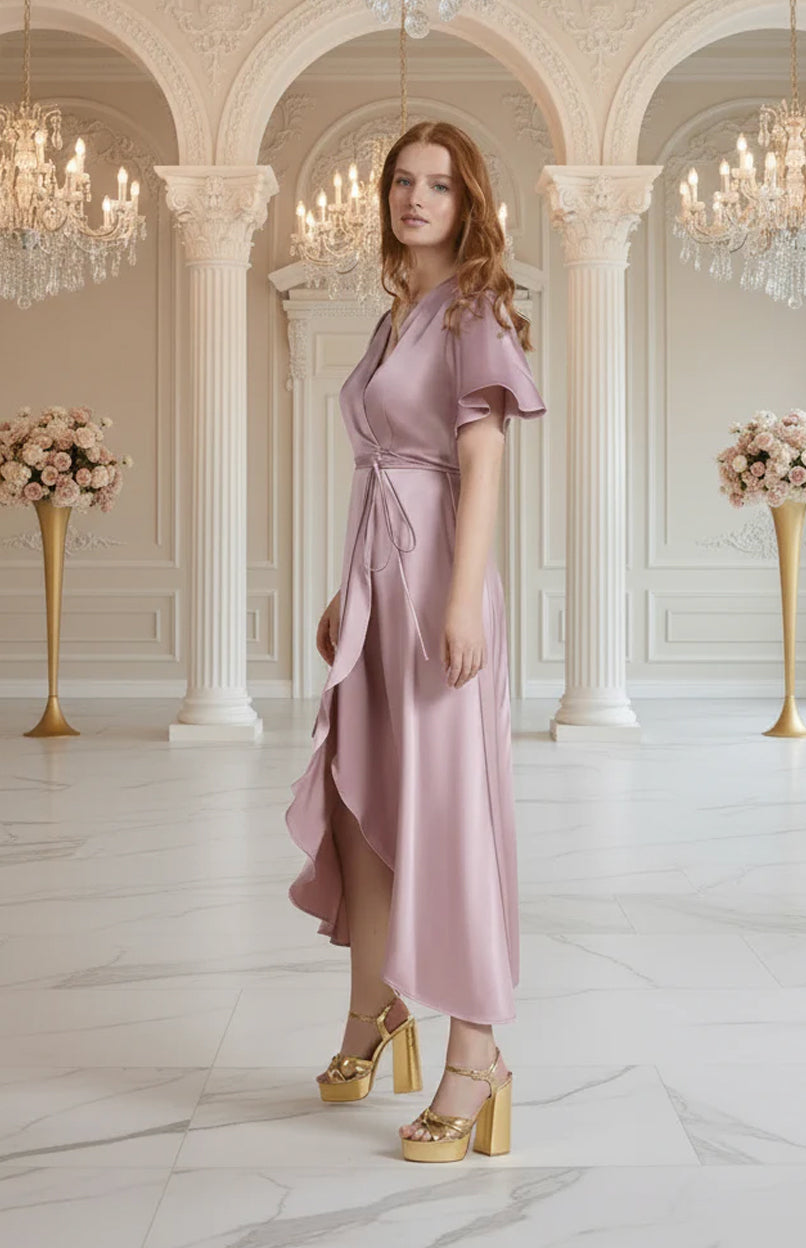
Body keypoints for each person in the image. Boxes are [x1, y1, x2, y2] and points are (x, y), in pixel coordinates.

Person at [284, 119, 546, 1163]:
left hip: (438, 577)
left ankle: (475, 1053)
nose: (415, 197)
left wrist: (462, 601)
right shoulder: (399, 314)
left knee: (448, 811)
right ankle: (374, 1009)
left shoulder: (473, 309)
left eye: (437, 183)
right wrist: (349, 595)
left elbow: (478, 462)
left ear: (467, 199)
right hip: (378, 580)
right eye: (402, 181)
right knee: (359, 797)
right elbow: (382, 465)